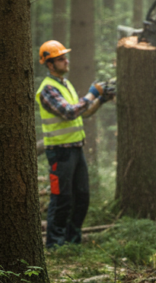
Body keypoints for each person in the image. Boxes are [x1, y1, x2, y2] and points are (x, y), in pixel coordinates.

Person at [36, 40, 113, 248]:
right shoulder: (47, 90)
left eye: (65, 57)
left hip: (75, 149)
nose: (65, 61)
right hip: (59, 153)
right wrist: (92, 93)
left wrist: (101, 100)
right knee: (61, 199)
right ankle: (55, 244)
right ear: (50, 64)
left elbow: (83, 111)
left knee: (82, 197)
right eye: (61, 59)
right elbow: (70, 112)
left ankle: (73, 241)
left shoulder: (65, 84)